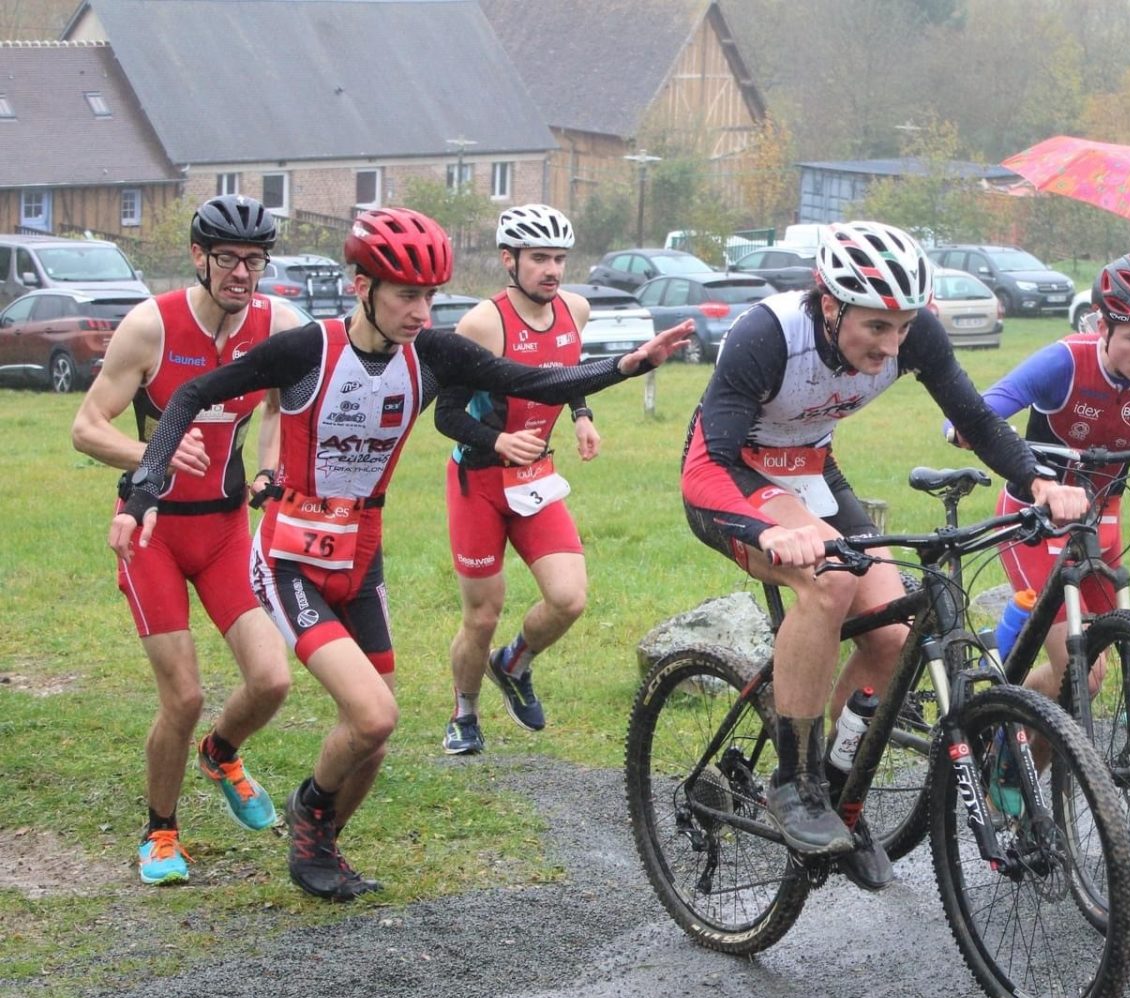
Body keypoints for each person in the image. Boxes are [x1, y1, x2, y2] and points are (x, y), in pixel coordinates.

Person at [109, 207, 693, 903]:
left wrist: (627, 366)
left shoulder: (433, 353)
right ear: (363, 286)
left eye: (430, 296)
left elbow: (533, 383)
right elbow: (196, 394)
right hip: (291, 555)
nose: (421, 311)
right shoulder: (308, 348)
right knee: (374, 715)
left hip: (363, 555)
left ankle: (319, 840)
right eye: (405, 295)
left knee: (373, 738)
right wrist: (146, 484)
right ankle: (309, 815)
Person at [680, 220, 1088, 892]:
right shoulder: (767, 335)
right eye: (876, 327)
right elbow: (709, 466)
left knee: (895, 639)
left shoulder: (913, 333)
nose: (893, 345)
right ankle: (795, 781)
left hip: (812, 471)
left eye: (903, 327)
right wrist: (768, 532)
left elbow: (979, 419)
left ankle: (837, 793)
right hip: (734, 476)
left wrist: (1036, 480)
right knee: (826, 584)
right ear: (830, 302)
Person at [71, 195, 303, 886]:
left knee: (271, 679)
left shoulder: (277, 325)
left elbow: (279, 408)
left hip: (226, 529)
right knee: (184, 696)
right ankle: (161, 831)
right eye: (228, 258)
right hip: (154, 537)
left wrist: (268, 466)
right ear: (199, 256)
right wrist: (154, 458)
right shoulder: (151, 328)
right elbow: (87, 426)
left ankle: (222, 753)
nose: (242, 273)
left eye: (254, 260)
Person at [969, 252, 1130, 713]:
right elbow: (982, 412)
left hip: (1102, 526)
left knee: (1088, 679)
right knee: (1081, 677)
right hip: (1036, 523)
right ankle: (996, 727)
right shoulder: (1065, 361)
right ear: (1102, 327)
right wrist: (966, 433)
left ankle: (1007, 723)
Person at [437, 204, 599, 755]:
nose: (551, 270)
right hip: (478, 483)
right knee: (482, 614)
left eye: (559, 258)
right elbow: (446, 415)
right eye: (539, 259)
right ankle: (464, 712)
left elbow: (567, 370)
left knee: (569, 598)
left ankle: (514, 663)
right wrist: (498, 440)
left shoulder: (576, 309)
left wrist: (581, 415)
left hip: (535, 478)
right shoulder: (483, 324)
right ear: (509, 260)